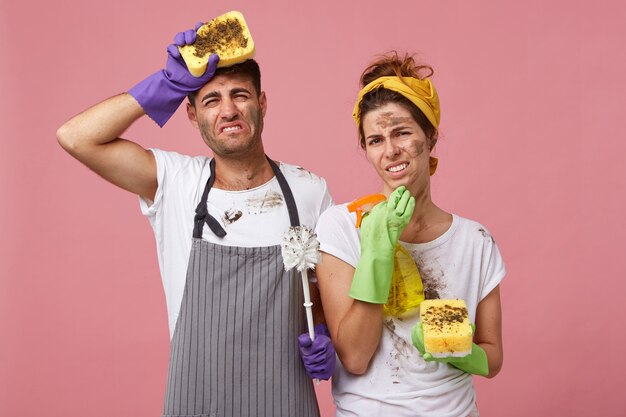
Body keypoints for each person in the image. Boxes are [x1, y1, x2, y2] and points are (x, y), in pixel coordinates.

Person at [56, 21, 335, 417]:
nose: (228, 110)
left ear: (263, 103)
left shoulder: (309, 190)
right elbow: (76, 137)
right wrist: (166, 84)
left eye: (240, 95)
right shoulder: (175, 182)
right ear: (191, 115)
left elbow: (319, 285)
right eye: (211, 100)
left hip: (284, 399)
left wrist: (323, 331)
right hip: (196, 402)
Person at [314, 51, 505, 417]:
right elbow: (354, 357)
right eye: (375, 140)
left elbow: (493, 354)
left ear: (429, 137)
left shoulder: (475, 241)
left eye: (402, 132)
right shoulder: (341, 226)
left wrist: (463, 351)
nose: (391, 151)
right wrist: (377, 252)